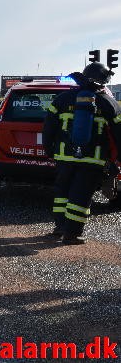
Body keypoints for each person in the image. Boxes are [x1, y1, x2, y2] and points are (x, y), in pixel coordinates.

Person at [42, 61, 121, 245]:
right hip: (92, 160)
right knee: (81, 195)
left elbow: (48, 127)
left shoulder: (62, 99)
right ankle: (71, 234)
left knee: (62, 192)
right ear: (102, 81)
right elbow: (119, 133)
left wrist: (49, 149)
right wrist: (118, 160)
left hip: (63, 157)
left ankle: (59, 227)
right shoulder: (109, 103)